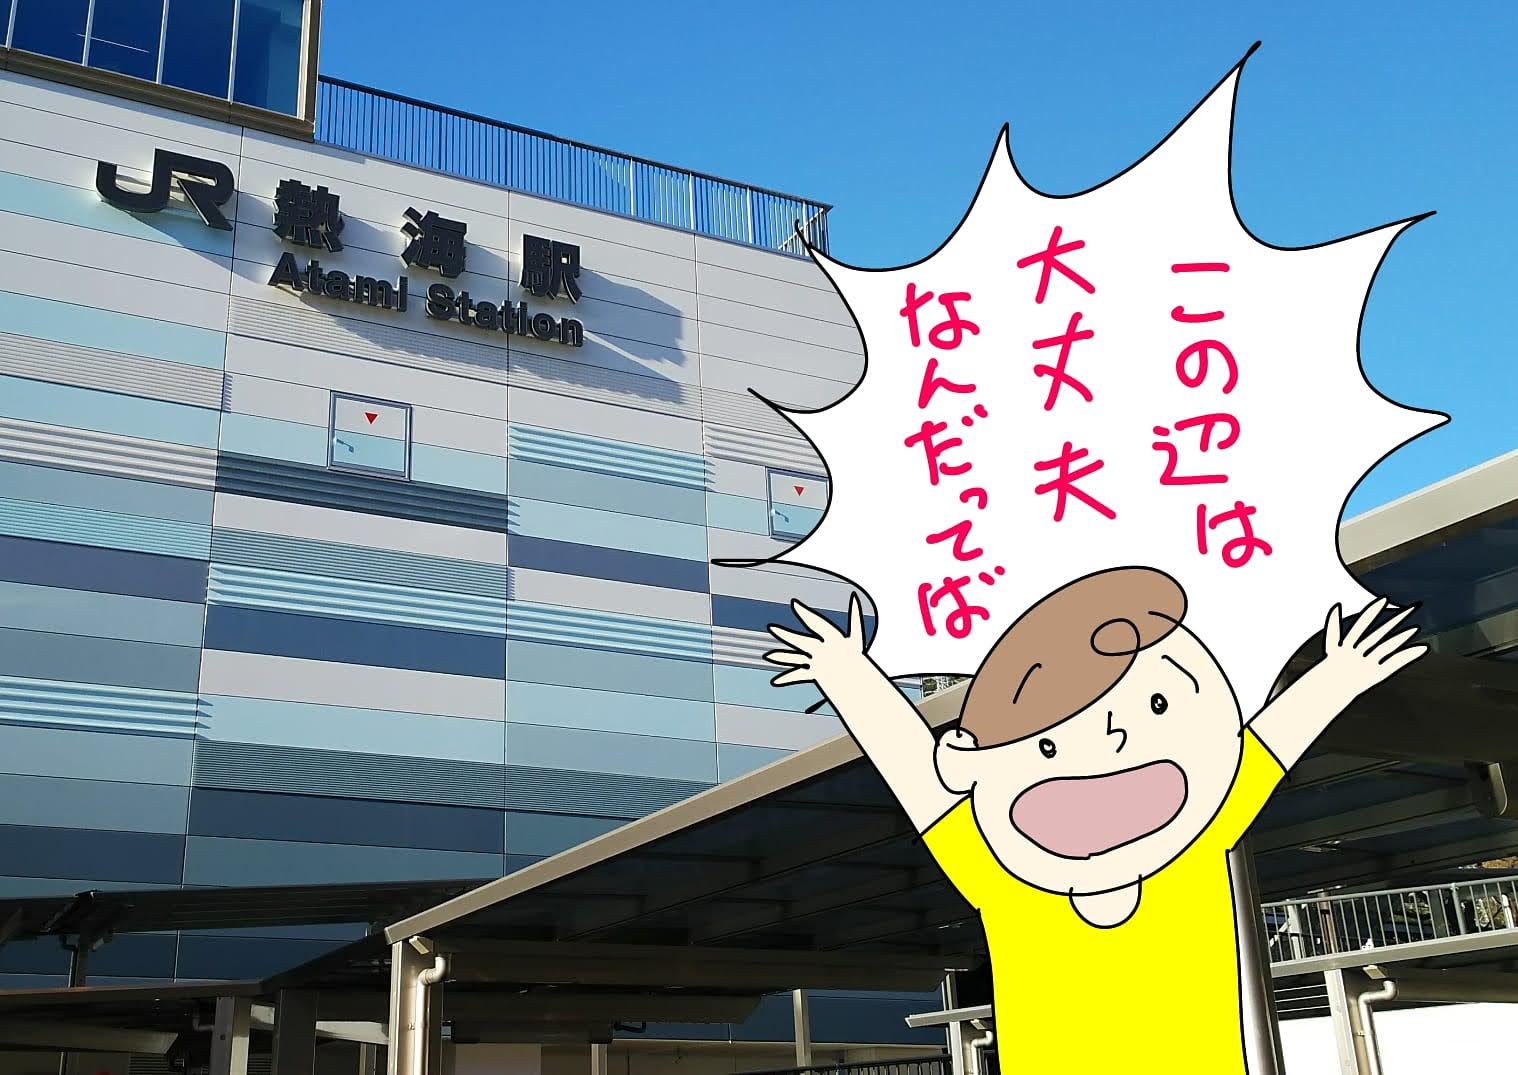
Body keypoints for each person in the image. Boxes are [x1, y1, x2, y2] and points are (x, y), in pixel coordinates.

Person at [764, 566, 1425, 1074]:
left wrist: (1341, 674)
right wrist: (847, 674)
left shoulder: (1184, 833)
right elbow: (916, 770)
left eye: (1157, 705)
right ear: (973, 763)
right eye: (1049, 746)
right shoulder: (1008, 871)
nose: (1111, 743)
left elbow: (920, 777)